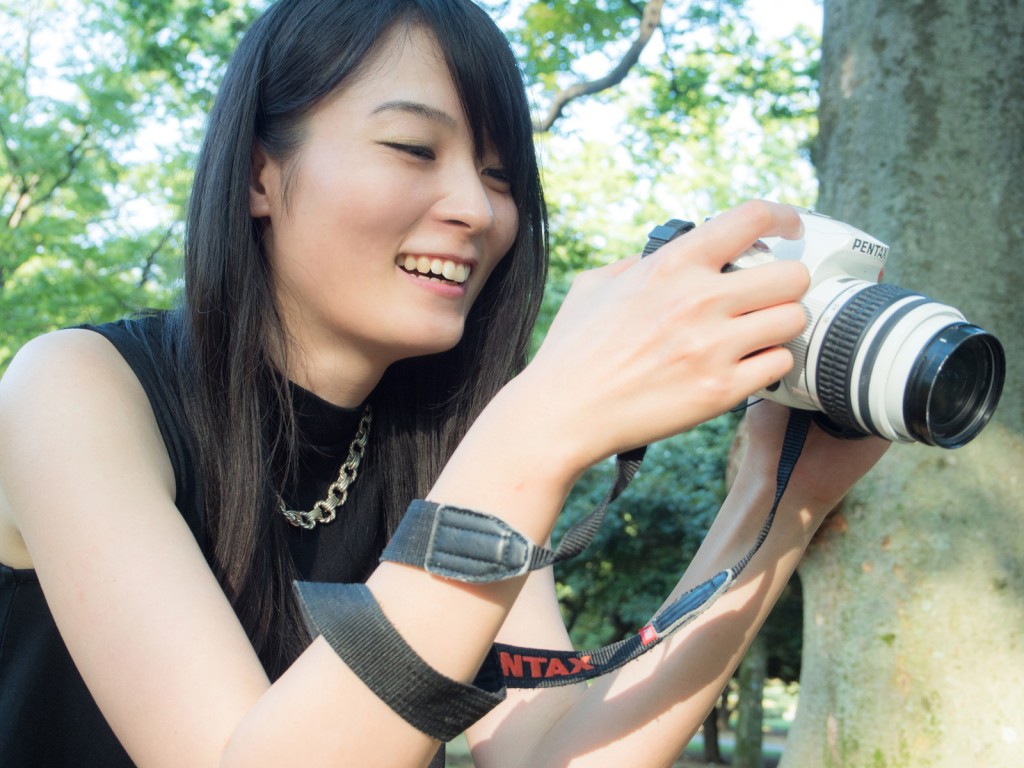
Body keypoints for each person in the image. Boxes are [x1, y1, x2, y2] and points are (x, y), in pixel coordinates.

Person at [0, 0, 889, 765]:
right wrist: (541, 424)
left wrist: (776, 506)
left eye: (500, 175)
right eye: (414, 147)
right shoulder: (76, 390)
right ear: (259, 175)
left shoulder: (454, 444)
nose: (477, 208)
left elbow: (548, 754)